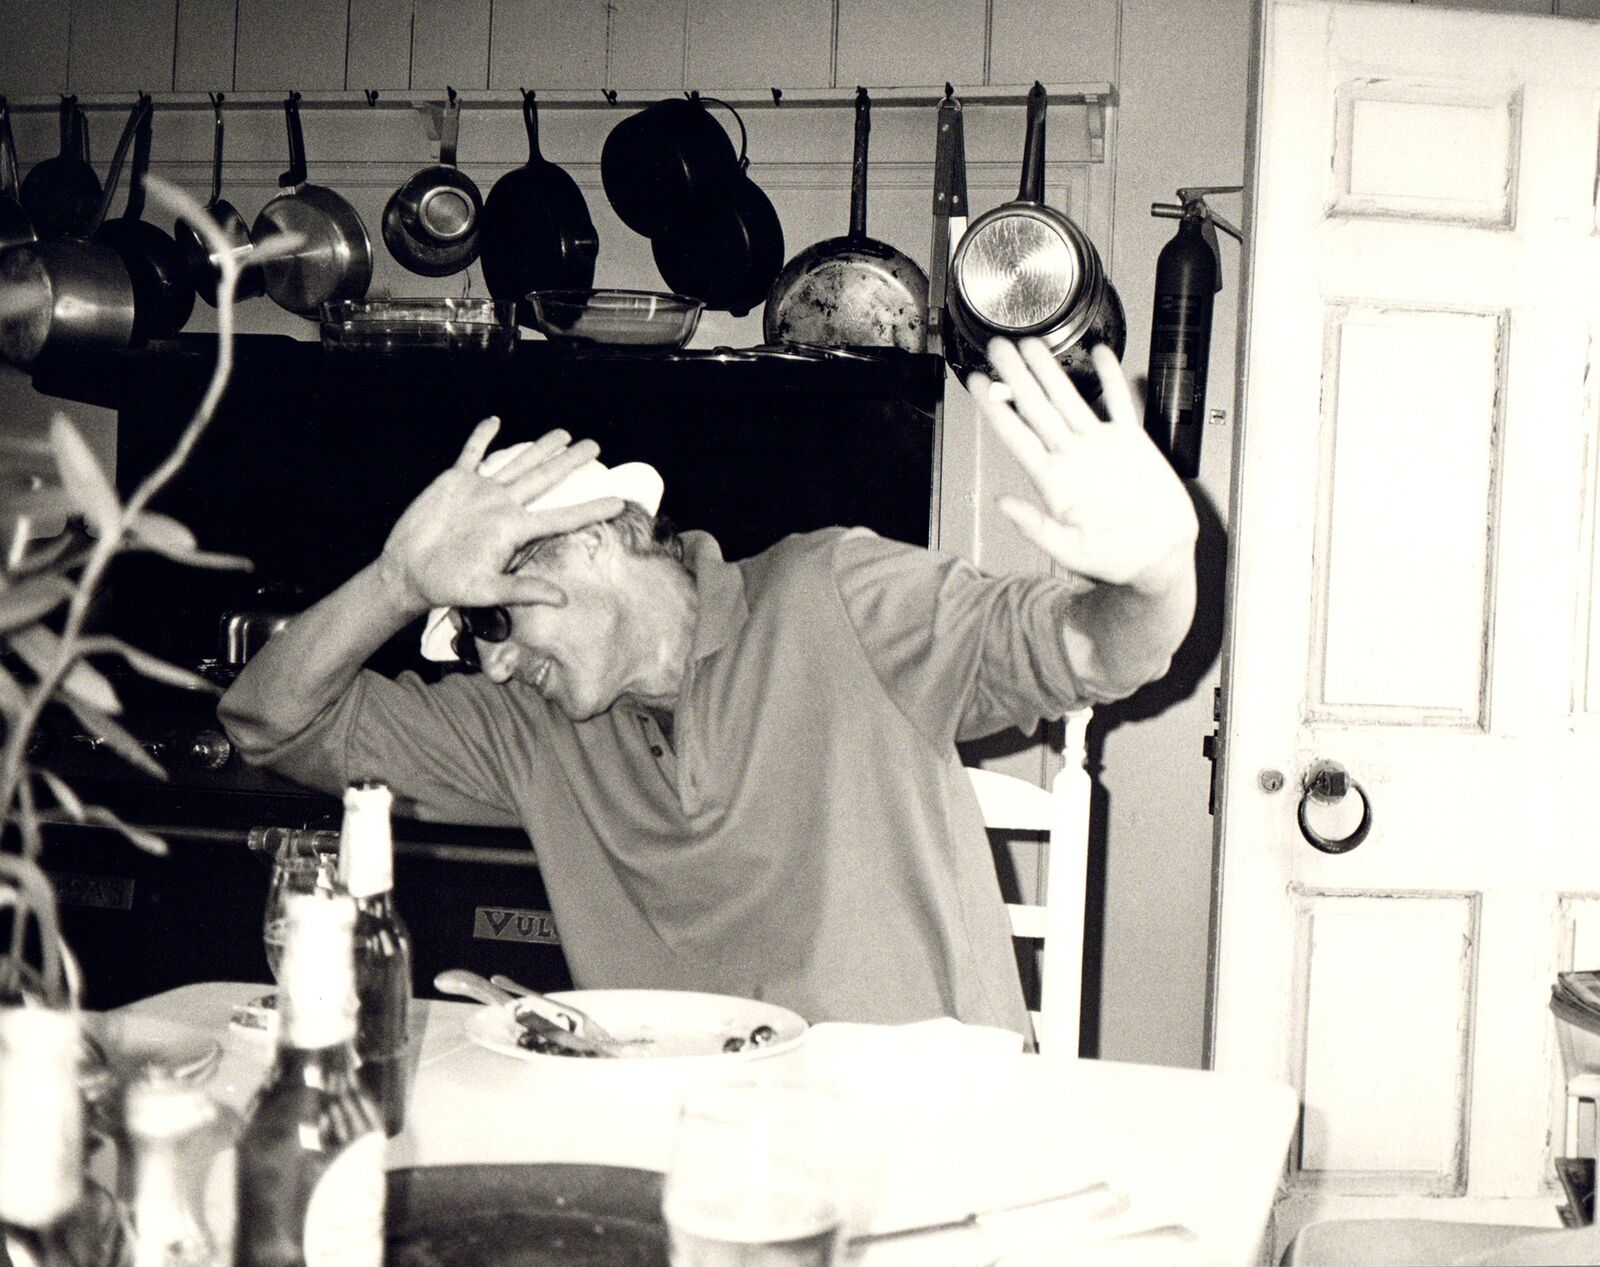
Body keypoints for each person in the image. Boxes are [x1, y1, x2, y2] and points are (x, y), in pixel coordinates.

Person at [218, 337, 1198, 1041]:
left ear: (599, 537)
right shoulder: (526, 726)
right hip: (672, 1143)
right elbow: (265, 721)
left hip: (919, 1131)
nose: (497, 663)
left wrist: (1154, 570)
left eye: (494, 619)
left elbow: (1094, 651)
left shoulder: (837, 595)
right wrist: (396, 580)